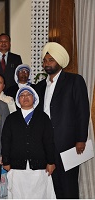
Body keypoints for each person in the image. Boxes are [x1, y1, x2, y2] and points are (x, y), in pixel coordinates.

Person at [35, 42, 89, 199]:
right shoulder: (39, 86)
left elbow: (82, 111)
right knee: (49, 187)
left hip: (67, 144)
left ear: (59, 61)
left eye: (51, 60)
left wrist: (81, 139)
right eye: (45, 60)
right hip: (45, 145)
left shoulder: (74, 81)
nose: (47, 64)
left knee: (68, 186)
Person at [1, 86, 56, 199]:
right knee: (18, 194)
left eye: (28, 95)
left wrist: (51, 161)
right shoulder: (11, 118)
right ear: (18, 99)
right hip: (17, 167)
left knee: (39, 195)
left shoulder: (43, 118)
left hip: (40, 167)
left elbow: (49, 141)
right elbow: (6, 140)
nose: (25, 98)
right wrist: (6, 161)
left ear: (34, 98)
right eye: (22, 95)